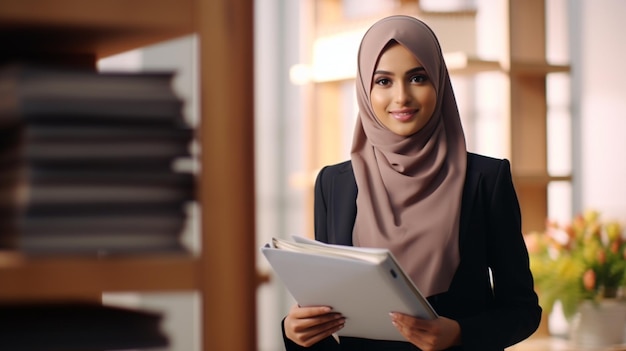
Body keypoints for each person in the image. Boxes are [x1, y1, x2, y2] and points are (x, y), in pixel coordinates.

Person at [281, 15, 542, 351]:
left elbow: (522, 311)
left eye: (418, 77)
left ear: (439, 81)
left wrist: (460, 334)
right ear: (365, 88)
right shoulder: (334, 184)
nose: (401, 97)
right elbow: (330, 314)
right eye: (383, 81)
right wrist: (296, 332)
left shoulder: (485, 181)